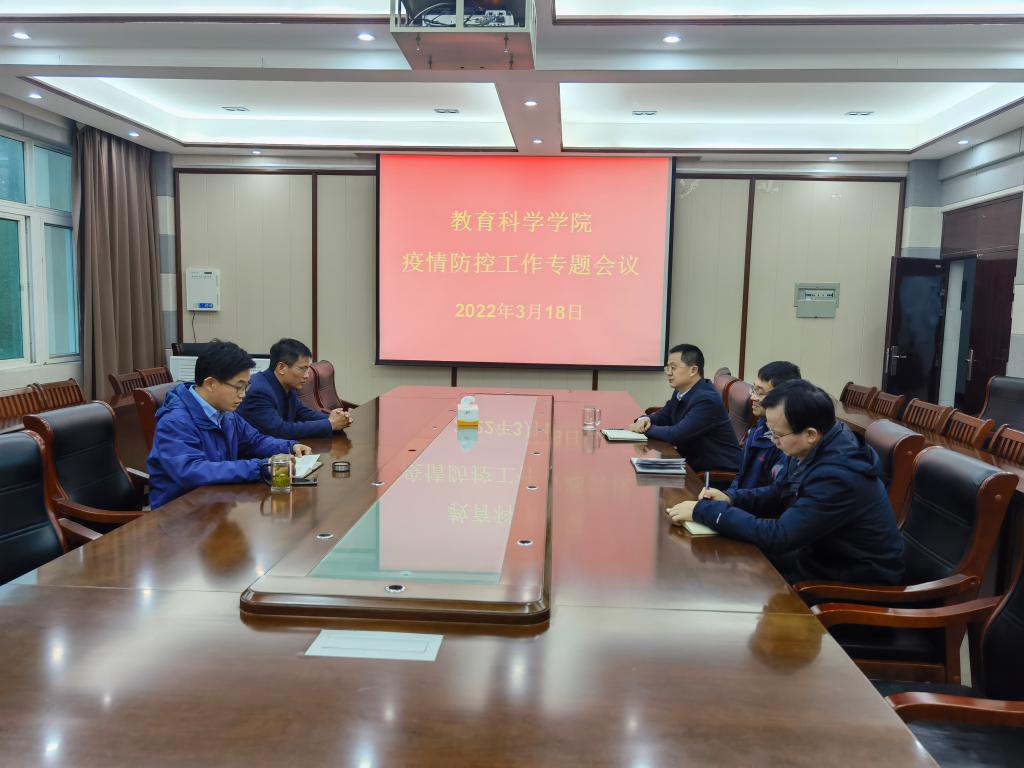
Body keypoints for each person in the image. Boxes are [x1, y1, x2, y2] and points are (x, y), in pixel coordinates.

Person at [667, 379, 904, 585]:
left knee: (726, 577)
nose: (774, 441)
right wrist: (730, 498)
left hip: (851, 584)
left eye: (777, 435)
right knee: (721, 568)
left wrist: (708, 512)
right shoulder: (816, 444)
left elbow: (780, 537)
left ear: (810, 434)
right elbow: (778, 492)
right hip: (818, 557)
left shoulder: (837, 476)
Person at [148, 340, 312, 508]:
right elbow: (191, 471)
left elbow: (254, 441)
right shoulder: (175, 421)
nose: (243, 395)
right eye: (238, 387)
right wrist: (260, 467)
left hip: (216, 503)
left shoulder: (226, 413)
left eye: (246, 387)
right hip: (180, 512)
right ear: (211, 384)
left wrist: (289, 447)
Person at [628, 343, 740, 472]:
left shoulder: (706, 400)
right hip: (690, 462)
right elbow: (664, 415)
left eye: (673, 368)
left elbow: (676, 434)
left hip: (714, 474)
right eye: (668, 368)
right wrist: (644, 420)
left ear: (693, 370)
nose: (669, 373)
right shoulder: (682, 391)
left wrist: (644, 429)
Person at [237, 338, 352, 439]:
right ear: (281, 368)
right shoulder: (259, 391)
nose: (307, 375)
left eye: (308, 369)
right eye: (303, 369)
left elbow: (304, 414)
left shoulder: (288, 385)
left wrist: (336, 418)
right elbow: (279, 431)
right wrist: (329, 424)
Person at [726, 360, 802, 497]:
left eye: (760, 392)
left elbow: (774, 495)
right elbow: (740, 475)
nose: (752, 397)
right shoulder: (760, 425)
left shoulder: (786, 442)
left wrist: (730, 499)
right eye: (753, 389)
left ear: (783, 397)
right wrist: (728, 495)